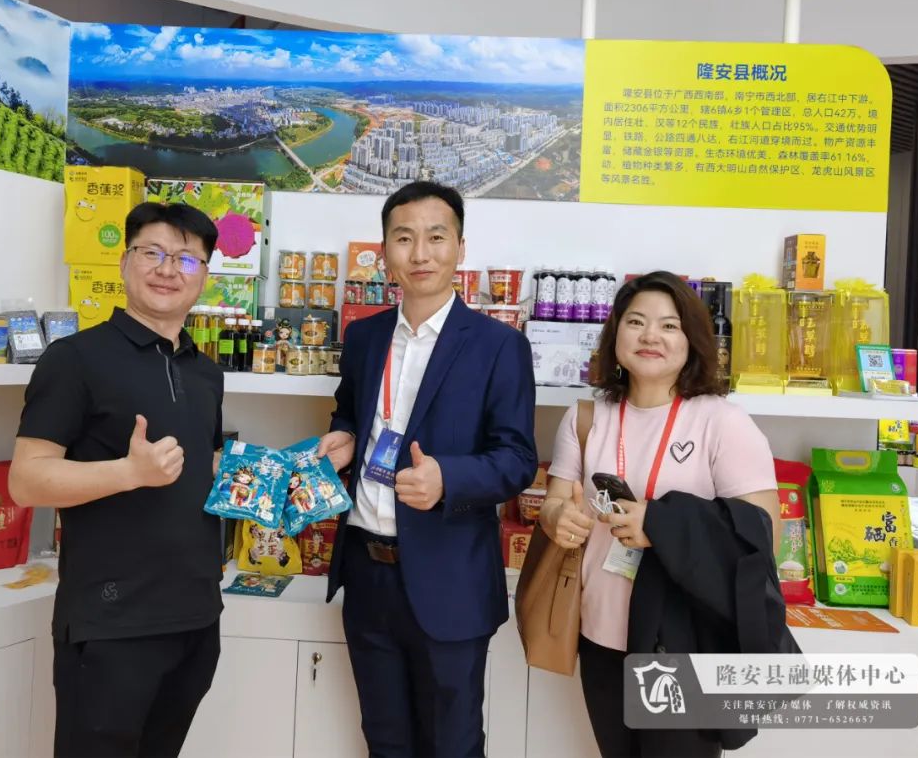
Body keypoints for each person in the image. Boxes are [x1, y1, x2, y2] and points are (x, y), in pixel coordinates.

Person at [317, 181, 538, 758]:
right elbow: (350, 411)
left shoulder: (498, 345)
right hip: (367, 573)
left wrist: (448, 479)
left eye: (436, 238)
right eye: (404, 238)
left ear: (460, 248)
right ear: (384, 251)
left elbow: (517, 458)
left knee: (452, 744)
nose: (420, 254)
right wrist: (344, 438)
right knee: (384, 740)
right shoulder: (364, 337)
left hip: (449, 579)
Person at [9, 202, 225, 758]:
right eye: (152, 252)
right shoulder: (74, 359)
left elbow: (201, 464)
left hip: (197, 617)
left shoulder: (205, 371)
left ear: (205, 275)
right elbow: (26, 481)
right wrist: (129, 472)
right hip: (111, 623)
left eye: (187, 259)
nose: (168, 269)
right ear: (125, 262)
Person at [540, 271, 784, 758]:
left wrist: (661, 526)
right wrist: (557, 518)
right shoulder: (586, 417)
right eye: (636, 322)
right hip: (600, 632)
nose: (650, 336)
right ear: (615, 335)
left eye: (669, 326)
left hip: (684, 642)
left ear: (692, 341)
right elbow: (555, 500)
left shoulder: (722, 422)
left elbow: (763, 533)